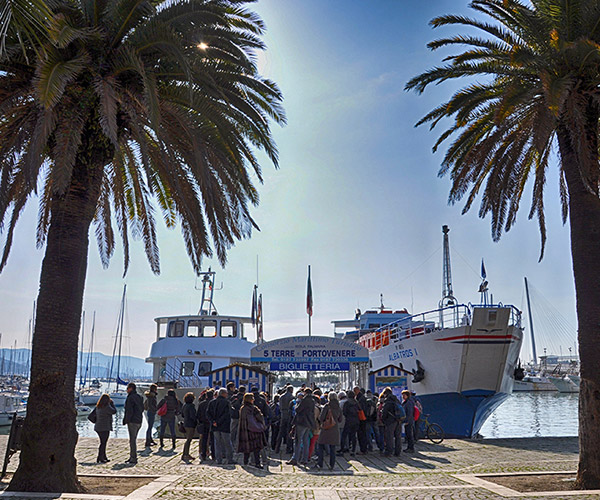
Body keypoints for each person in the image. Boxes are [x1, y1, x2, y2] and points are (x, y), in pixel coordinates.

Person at [237, 392, 267, 468]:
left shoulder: (242, 408)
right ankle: (257, 463)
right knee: (256, 448)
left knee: (246, 448)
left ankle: (245, 462)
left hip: (244, 430)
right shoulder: (253, 408)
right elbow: (260, 417)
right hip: (254, 430)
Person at [287, 389, 315, 466]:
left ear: (305, 393)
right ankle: (305, 459)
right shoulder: (312, 401)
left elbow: (298, 409)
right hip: (308, 423)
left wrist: (296, 406)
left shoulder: (304, 400)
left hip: (301, 422)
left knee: (298, 441)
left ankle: (295, 459)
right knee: (306, 441)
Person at [316, 391, 342, 470]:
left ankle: (320, 464)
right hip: (335, 428)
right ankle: (332, 464)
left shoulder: (327, 406)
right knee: (332, 448)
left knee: (320, 445)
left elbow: (321, 418)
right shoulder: (338, 407)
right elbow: (340, 419)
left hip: (326, 429)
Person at [209, 388, 235, 464]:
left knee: (217, 443)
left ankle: (218, 459)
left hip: (215, 426)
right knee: (227, 443)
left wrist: (213, 421)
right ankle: (229, 459)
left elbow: (208, 413)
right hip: (224, 425)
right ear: (223, 394)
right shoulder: (226, 402)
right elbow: (227, 414)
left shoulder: (212, 402)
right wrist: (218, 421)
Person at [123, 382, 144, 464]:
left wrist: (126, 420)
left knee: (132, 440)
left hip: (132, 421)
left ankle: (133, 457)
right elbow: (142, 409)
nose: (126, 390)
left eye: (127, 388)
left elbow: (129, 411)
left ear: (131, 388)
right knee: (133, 439)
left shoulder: (130, 398)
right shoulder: (140, 397)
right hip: (139, 420)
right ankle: (132, 456)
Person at [94, 394, 116, 463]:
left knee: (102, 442)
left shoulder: (98, 407)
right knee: (103, 443)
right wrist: (112, 404)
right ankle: (100, 457)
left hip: (98, 427)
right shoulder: (107, 407)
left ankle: (103, 456)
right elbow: (114, 411)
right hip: (105, 427)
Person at [381, 388, 402, 456]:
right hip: (398, 420)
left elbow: (384, 412)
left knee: (389, 437)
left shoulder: (388, 401)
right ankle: (398, 451)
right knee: (398, 436)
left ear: (386, 394)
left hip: (390, 421)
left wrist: (384, 420)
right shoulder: (397, 400)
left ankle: (389, 452)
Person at [275, 385, 294, 454]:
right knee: (289, 432)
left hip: (283, 414)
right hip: (289, 415)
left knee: (280, 432)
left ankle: (277, 448)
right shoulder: (292, 397)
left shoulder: (281, 396)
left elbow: (280, 406)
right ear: (291, 390)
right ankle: (288, 449)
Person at [197, 389, 215, 461]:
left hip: (204, 423)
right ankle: (213, 454)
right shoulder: (214, 403)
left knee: (204, 439)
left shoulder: (201, 404)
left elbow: (198, 414)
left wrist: (200, 421)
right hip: (212, 423)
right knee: (213, 439)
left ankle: (203, 454)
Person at [341, 390, 360, 456]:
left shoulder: (347, 403)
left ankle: (342, 449)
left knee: (344, 435)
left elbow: (344, 412)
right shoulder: (356, 402)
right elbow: (360, 410)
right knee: (353, 435)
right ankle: (353, 450)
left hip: (348, 420)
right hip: (356, 420)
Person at [181, 392, 197, 461]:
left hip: (185, 423)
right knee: (189, 440)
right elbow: (193, 416)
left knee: (187, 439)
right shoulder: (191, 406)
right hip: (190, 424)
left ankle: (185, 454)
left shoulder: (184, 405)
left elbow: (182, 414)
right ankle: (186, 454)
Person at [230, 386, 246, 451]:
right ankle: (239, 445)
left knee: (233, 431)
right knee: (240, 431)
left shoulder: (234, 397)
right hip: (241, 416)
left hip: (233, 415)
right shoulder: (244, 398)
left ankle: (231, 444)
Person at [354, 387, 369, 454]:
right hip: (364, 418)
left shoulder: (359, 399)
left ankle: (363, 449)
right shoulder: (362, 397)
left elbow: (361, 408)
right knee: (363, 434)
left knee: (361, 434)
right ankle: (364, 449)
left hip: (361, 418)